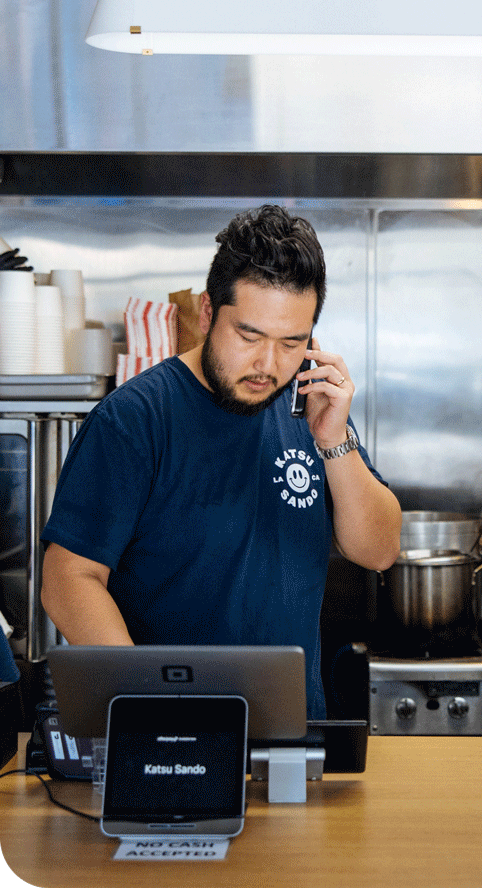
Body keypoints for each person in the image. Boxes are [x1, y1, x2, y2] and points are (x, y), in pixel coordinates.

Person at [40, 205, 401, 717]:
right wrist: (147, 706)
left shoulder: (311, 408)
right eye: (249, 337)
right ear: (209, 314)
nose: (268, 364)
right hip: (169, 732)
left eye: (291, 343)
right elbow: (67, 580)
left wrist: (335, 440)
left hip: (291, 729)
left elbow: (379, 550)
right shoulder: (135, 419)